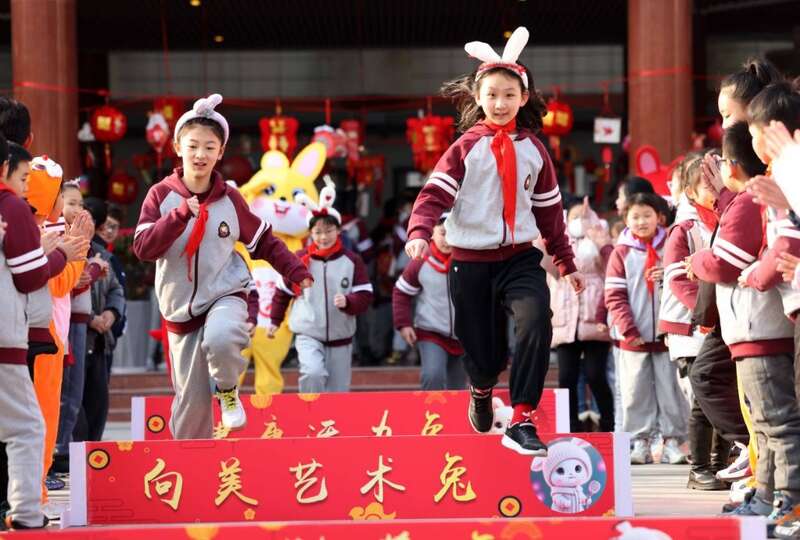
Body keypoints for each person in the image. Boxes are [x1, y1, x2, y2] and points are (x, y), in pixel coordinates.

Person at [405, 27, 582, 456]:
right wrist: (420, 232)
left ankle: (521, 418)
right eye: (492, 95)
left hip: (520, 258)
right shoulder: (465, 147)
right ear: (478, 97)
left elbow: (550, 212)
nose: (500, 103)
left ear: (524, 97)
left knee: (536, 320)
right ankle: (482, 390)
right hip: (470, 262)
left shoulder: (535, 150)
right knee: (483, 354)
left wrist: (565, 261)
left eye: (509, 95)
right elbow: (433, 195)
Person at [133, 94, 312, 439]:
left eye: (209, 147)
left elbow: (264, 242)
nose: (200, 154)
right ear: (178, 147)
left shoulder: (231, 199)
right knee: (191, 406)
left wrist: (297, 272)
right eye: (193, 146)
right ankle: (189, 464)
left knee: (222, 336)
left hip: (225, 292)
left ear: (220, 152)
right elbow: (143, 248)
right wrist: (178, 216)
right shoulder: (160, 195)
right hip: (179, 309)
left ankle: (228, 390)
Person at [687, 121, 800, 525]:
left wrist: (697, 260)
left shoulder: (754, 198)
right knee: (765, 426)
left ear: (733, 165)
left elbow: (726, 262)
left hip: (761, 330)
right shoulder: (748, 198)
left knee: (777, 423)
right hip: (751, 332)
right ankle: (769, 496)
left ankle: (789, 500)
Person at [659, 154, 729, 489]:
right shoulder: (685, 229)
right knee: (704, 399)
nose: (715, 190)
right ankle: (699, 467)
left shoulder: (725, 221)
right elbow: (677, 279)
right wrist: (706, 311)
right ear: (689, 192)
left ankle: (720, 464)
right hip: (690, 327)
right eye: (706, 185)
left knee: (724, 393)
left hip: (719, 322)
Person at [605, 193, 687, 465]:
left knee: (671, 389)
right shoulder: (621, 253)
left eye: (647, 215)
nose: (642, 222)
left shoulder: (671, 245)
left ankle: (672, 441)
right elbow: (614, 296)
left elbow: (684, 280)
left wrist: (668, 275)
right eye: (636, 217)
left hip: (667, 336)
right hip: (633, 337)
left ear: (659, 217)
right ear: (626, 219)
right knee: (634, 391)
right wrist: (629, 329)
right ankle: (639, 442)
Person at [269, 182, 373, 392]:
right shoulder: (299, 260)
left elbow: (365, 295)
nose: (323, 237)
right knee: (312, 373)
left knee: (337, 392)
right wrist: (275, 320)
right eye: (317, 232)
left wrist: (349, 301)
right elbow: (283, 291)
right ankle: (309, 409)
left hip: (341, 338)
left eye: (328, 231)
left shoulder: (352, 260)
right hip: (308, 333)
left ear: (339, 230)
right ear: (310, 233)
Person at [0, 132, 50, 529]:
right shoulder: (11, 206)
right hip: (4, 337)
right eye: (23, 177)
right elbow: (30, 276)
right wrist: (60, 253)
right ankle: (27, 515)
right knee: (26, 428)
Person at [546, 197, 613, 432]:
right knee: (566, 377)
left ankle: (608, 424)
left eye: (584, 216)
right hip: (565, 320)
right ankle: (570, 427)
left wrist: (600, 241)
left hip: (594, 319)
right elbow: (548, 268)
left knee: (596, 375)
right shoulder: (559, 241)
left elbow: (613, 268)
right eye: (574, 217)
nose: (579, 221)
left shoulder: (601, 239)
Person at [393, 212, 466, 390]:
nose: (447, 240)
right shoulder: (420, 262)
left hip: (464, 334)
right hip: (430, 331)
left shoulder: (468, 261)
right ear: (432, 232)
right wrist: (404, 324)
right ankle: (429, 408)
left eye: (452, 233)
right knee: (433, 375)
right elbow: (401, 292)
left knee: (458, 385)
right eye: (443, 233)